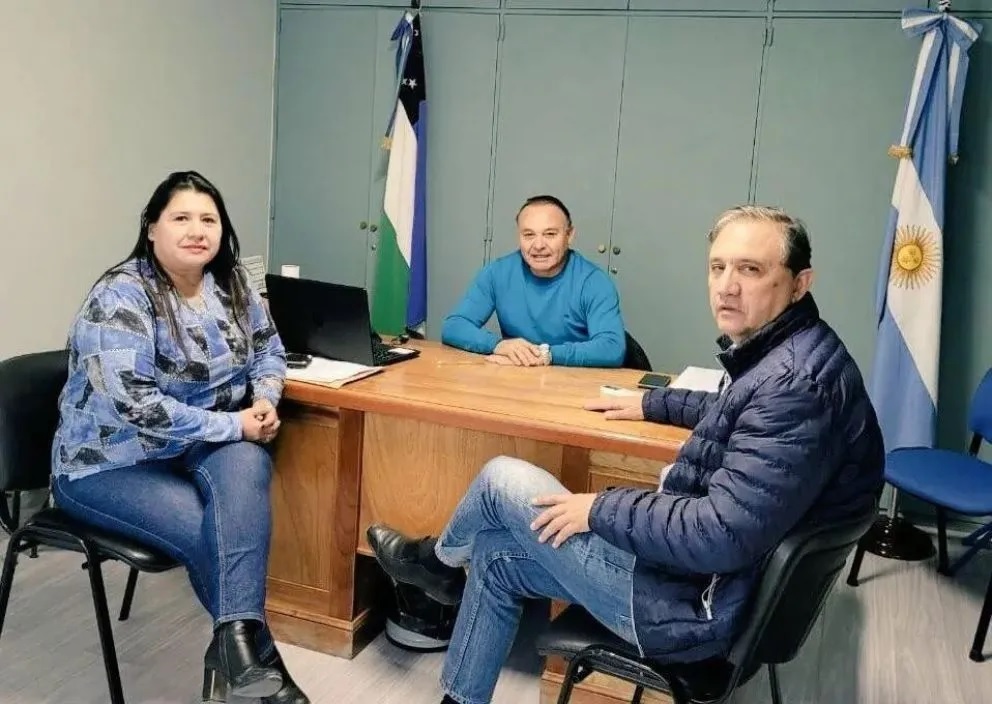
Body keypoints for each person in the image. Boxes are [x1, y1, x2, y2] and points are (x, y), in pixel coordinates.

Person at [367, 205, 884, 704]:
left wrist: (597, 508)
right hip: (706, 584)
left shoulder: (792, 387)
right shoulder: (798, 355)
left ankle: (434, 563)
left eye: (750, 270)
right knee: (495, 556)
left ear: (800, 282)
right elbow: (734, 409)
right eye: (718, 267)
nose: (727, 285)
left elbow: (717, 534)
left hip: (694, 608)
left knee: (502, 478)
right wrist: (651, 401)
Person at [50, 171, 309, 704]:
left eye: (208, 219)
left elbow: (269, 351)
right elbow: (136, 405)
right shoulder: (121, 294)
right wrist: (232, 425)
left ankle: (231, 651)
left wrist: (264, 399)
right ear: (152, 228)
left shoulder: (232, 283)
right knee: (209, 529)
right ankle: (259, 668)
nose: (197, 230)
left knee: (249, 462)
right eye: (181, 218)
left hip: (196, 446)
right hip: (107, 464)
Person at [441, 195, 626, 368]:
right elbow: (454, 326)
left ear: (569, 235)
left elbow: (612, 347)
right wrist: (498, 345)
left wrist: (545, 355)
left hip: (576, 382)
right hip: (520, 378)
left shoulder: (593, 281)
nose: (538, 245)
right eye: (529, 235)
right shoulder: (497, 273)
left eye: (550, 234)